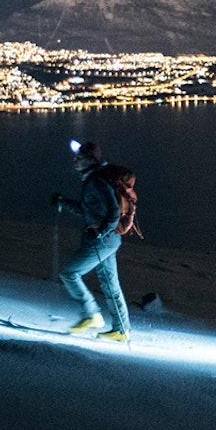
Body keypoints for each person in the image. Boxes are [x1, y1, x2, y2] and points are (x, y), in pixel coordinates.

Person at [52, 139, 131, 342]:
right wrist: (64, 203)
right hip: (111, 239)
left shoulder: (96, 181)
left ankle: (92, 314)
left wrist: (100, 233)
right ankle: (122, 330)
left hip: (103, 240)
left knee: (69, 273)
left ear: (89, 160)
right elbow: (89, 210)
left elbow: (113, 212)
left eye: (79, 157)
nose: (75, 160)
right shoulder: (94, 179)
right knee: (110, 284)